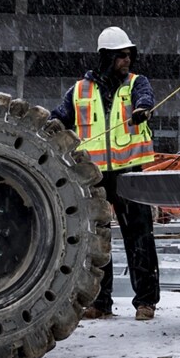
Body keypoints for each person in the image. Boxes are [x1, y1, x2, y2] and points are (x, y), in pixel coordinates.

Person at [51, 26, 160, 321]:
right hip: (93, 176)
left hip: (129, 172)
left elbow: (146, 98)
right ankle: (100, 302)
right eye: (121, 56)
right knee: (96, 240)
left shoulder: (137, 84)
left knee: (139, 236)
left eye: (129, 55)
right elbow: (57, 120)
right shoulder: (79, 91)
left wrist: (143, 109)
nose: (127, 60)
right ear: (106, 57)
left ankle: (145, 301)